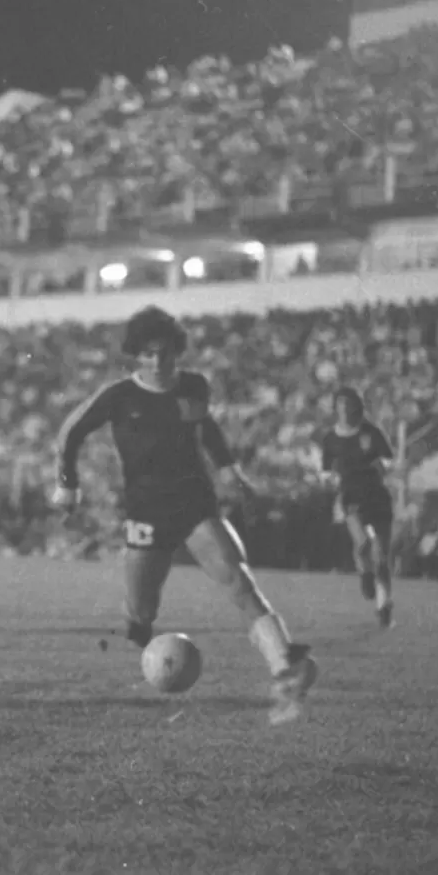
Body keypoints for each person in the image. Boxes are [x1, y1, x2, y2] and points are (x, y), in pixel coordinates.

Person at [53, 306, 318, 725]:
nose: (157, 362)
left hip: (195, 504)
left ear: (177, 351)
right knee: (141, 611)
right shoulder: (120, 396)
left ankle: (287, 666)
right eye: (147, 354)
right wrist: (68, 485)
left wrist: (230, 471)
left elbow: (205, 428)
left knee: (237, 578)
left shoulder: (193, 387)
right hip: (145, 512)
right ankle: (140, 649)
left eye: (164, 353)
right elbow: (71, 432)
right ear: (136, 355)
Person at [319, 386, 396, 628]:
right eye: (341, 406)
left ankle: (384, 605)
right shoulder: (330, 439)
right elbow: (324, 471)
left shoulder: (371, 432)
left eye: (350, 405)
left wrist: (381, 465)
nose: (346, 410)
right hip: (351, 497)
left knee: (382, 556)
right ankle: (365, 573)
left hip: (377, 495)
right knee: (362, 544)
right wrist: (330, 479)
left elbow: (388, 459)